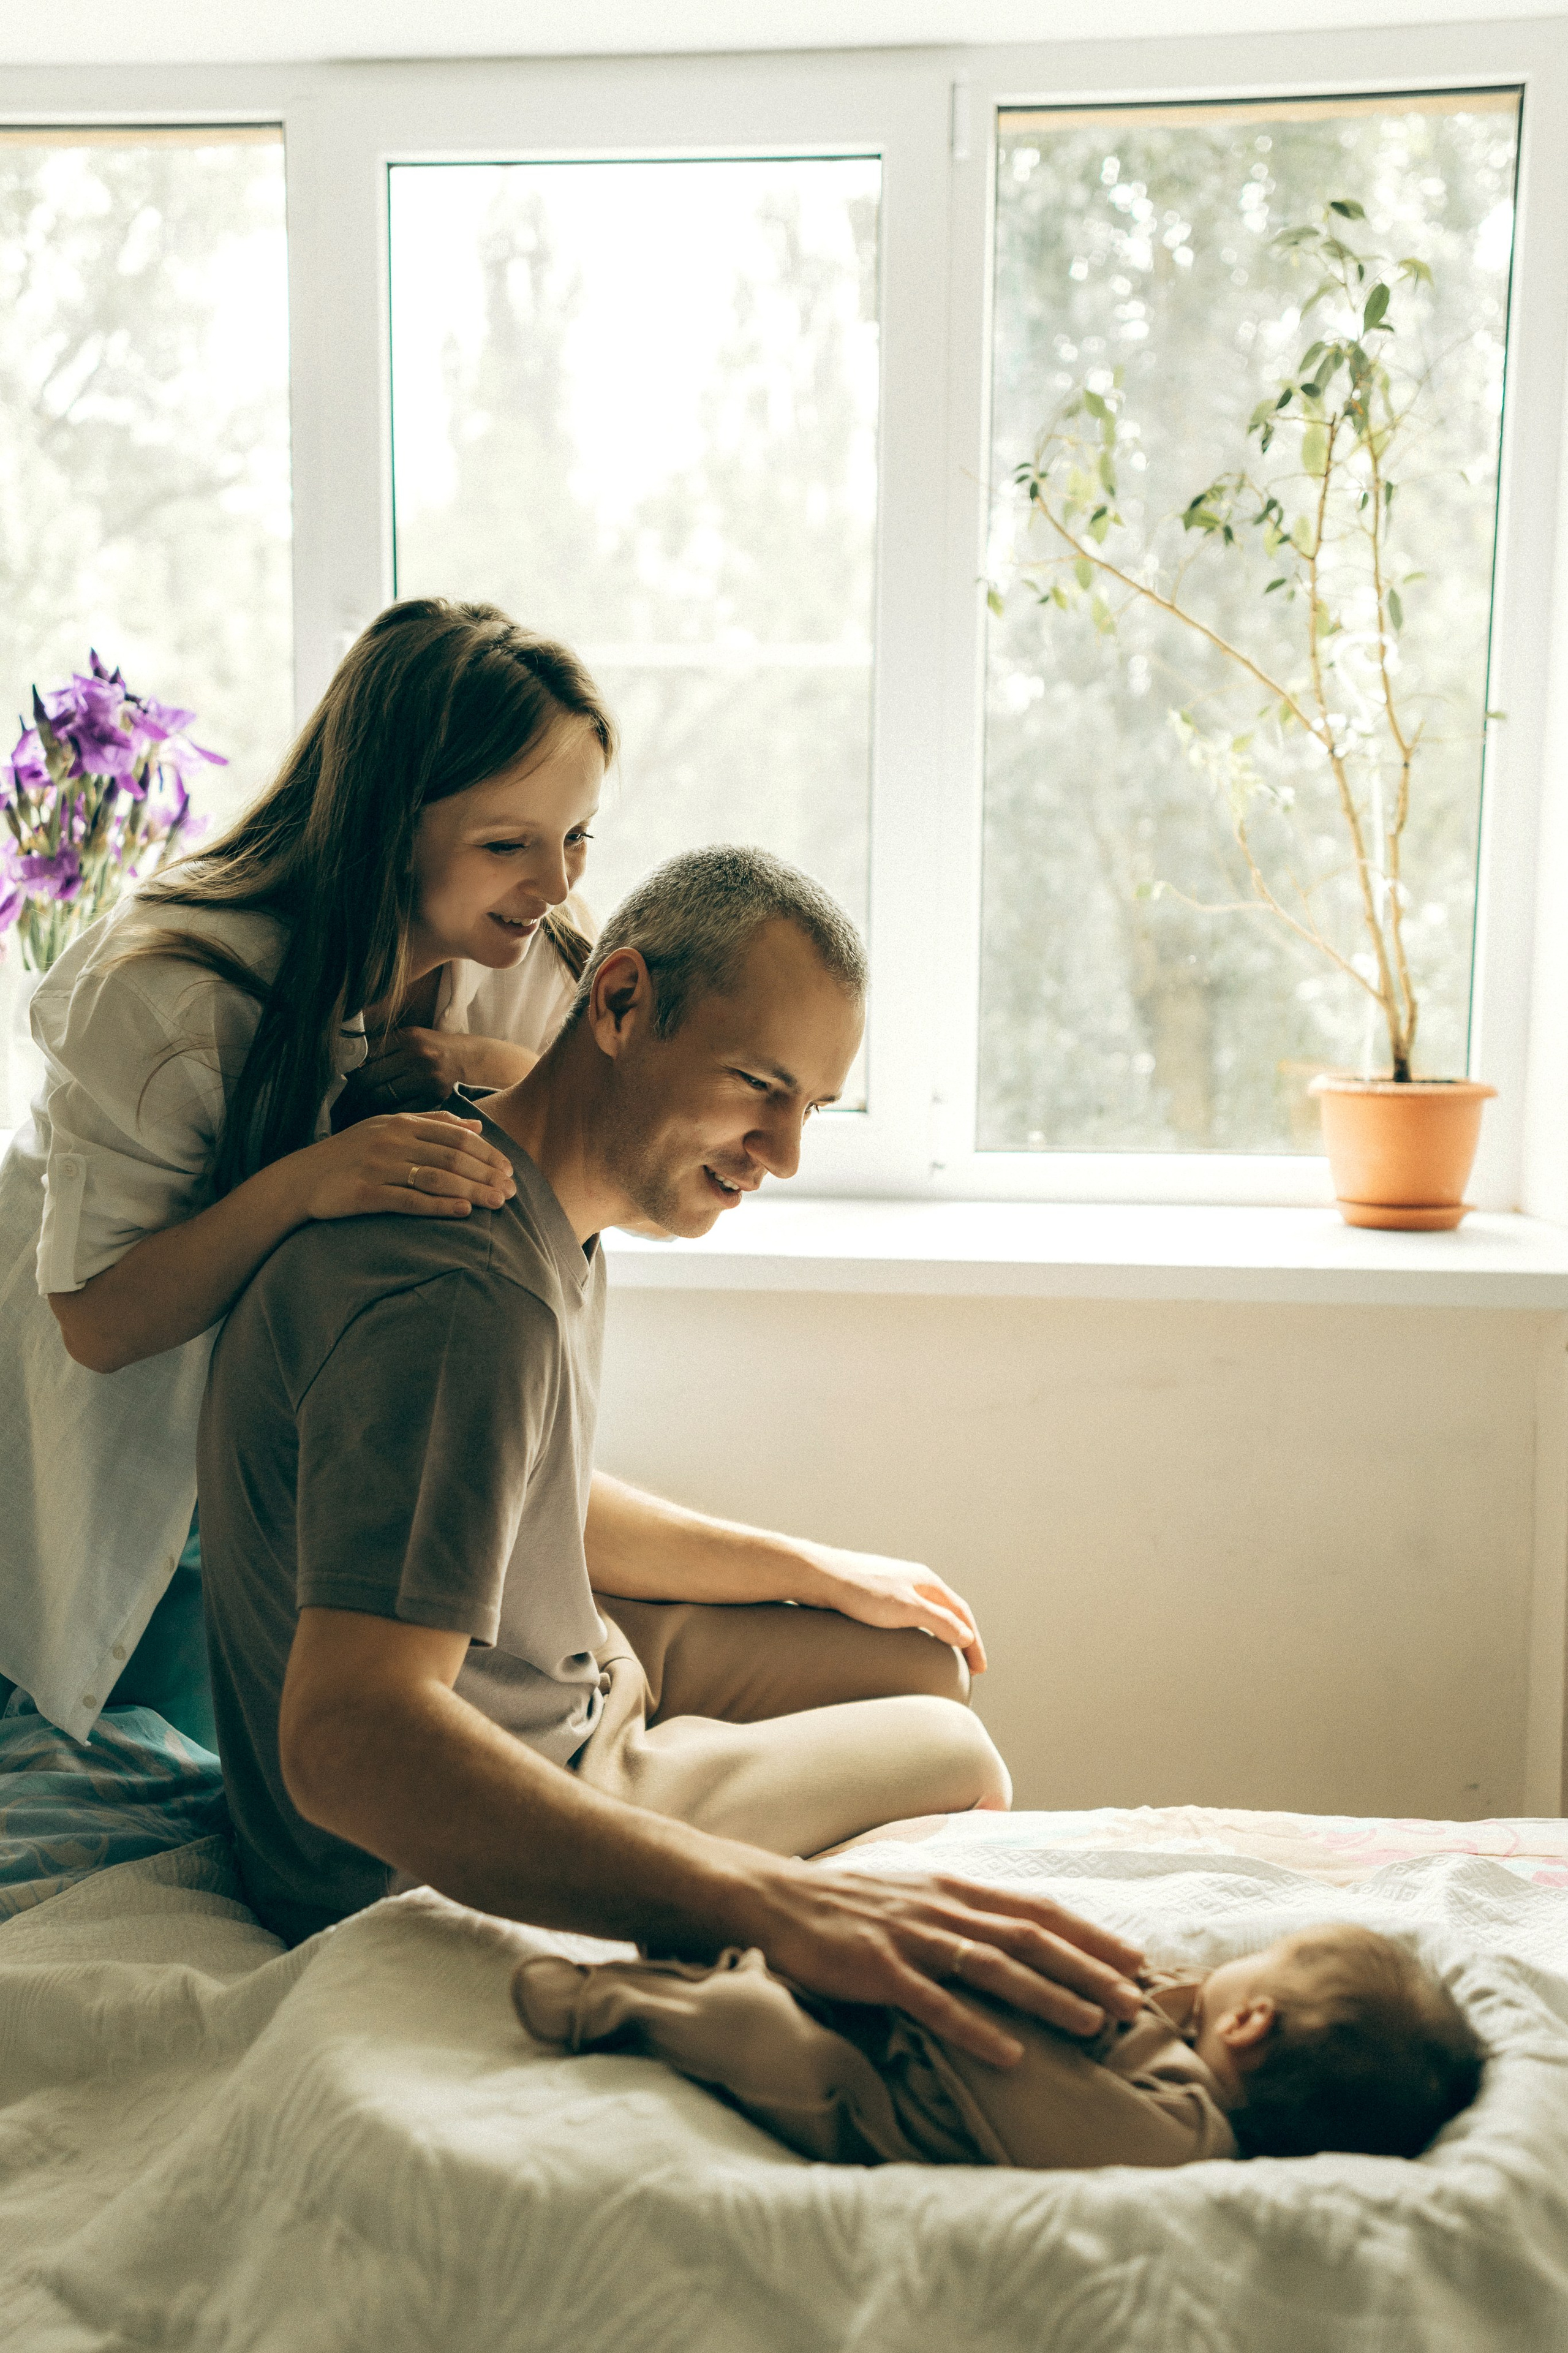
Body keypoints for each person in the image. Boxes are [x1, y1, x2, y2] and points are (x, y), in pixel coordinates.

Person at [196, 844, 1150, 2057]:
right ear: (619, 1002)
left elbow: (503, 1489)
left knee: (915, 1657)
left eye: (810, 1104)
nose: (784, 1152)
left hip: (575, 1676)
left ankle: (740, 1882)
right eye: (757, 1083)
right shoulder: (458, 1293)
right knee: (953, 1750)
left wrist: (807, 1564)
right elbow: (347, 1741)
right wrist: (774, 1902)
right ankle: (755, 1971)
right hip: (436, 1827)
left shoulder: (524, 1185)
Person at [0, 598, 613, 1750]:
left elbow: (600, 1147)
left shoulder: (536, 966)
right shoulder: (173, 991)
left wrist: (482, 1062)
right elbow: (96, 1319)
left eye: (577, 838)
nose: (552, 883)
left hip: (301, 1464)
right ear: (388, 826)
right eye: (507, 843)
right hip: (129, 1445)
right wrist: (309, 1180)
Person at [514, 1922, 1485, 2169]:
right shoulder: (1178, 2049)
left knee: (759, 2034)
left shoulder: (1181, 2137)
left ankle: (609, 2002)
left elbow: (1021, 2076)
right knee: (775, 1976)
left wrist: (964, 1985)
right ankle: (716, 1950)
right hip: (906, 2029)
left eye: (1260, 1959)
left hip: (876, 2098)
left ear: (1252, 2021)